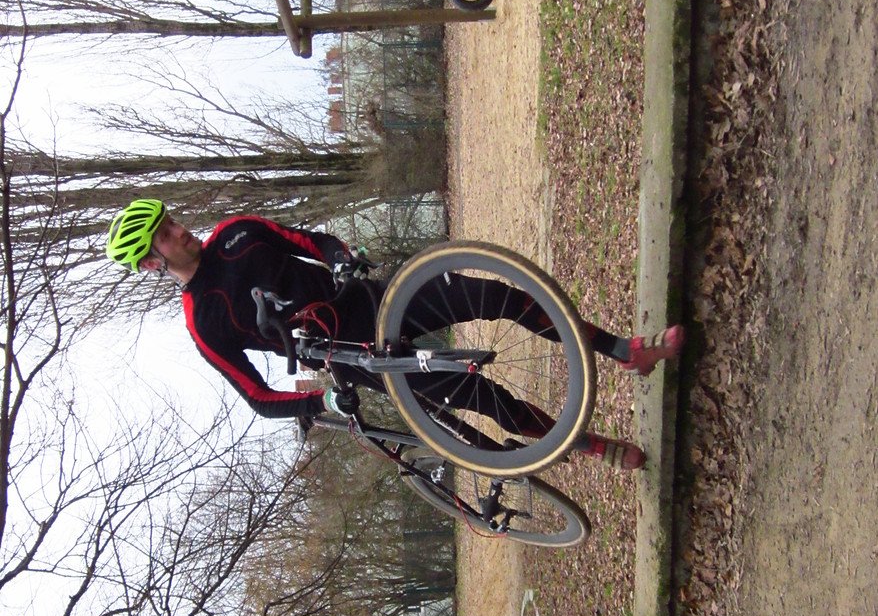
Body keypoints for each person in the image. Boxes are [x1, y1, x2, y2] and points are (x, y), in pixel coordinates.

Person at [106, 199, 684, 470]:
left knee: (500, 297)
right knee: (486, 402)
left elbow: (310, 241)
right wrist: (322, 401)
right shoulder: (202, 322)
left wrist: (341, 258)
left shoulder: (237, 231)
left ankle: (625, 350)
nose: (179, 231)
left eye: (172, 220)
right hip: (356, 358)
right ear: (153, 263)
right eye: (165, 236)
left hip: (374, 301)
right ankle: (589, 445)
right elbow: (257, 396)